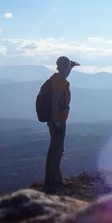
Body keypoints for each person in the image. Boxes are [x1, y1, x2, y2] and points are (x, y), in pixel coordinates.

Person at [44, 56, 78, 189]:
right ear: (65, 66)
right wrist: (57, 123)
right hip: (57, 120)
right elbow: (54, 102)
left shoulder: (56, 77)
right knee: (57, 150)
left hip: (55, 119)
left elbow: (65, 73)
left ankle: (49, 179)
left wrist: (71, 66)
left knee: (54, 149)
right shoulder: (60, 81)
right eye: (69, 66)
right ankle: (55, 182)